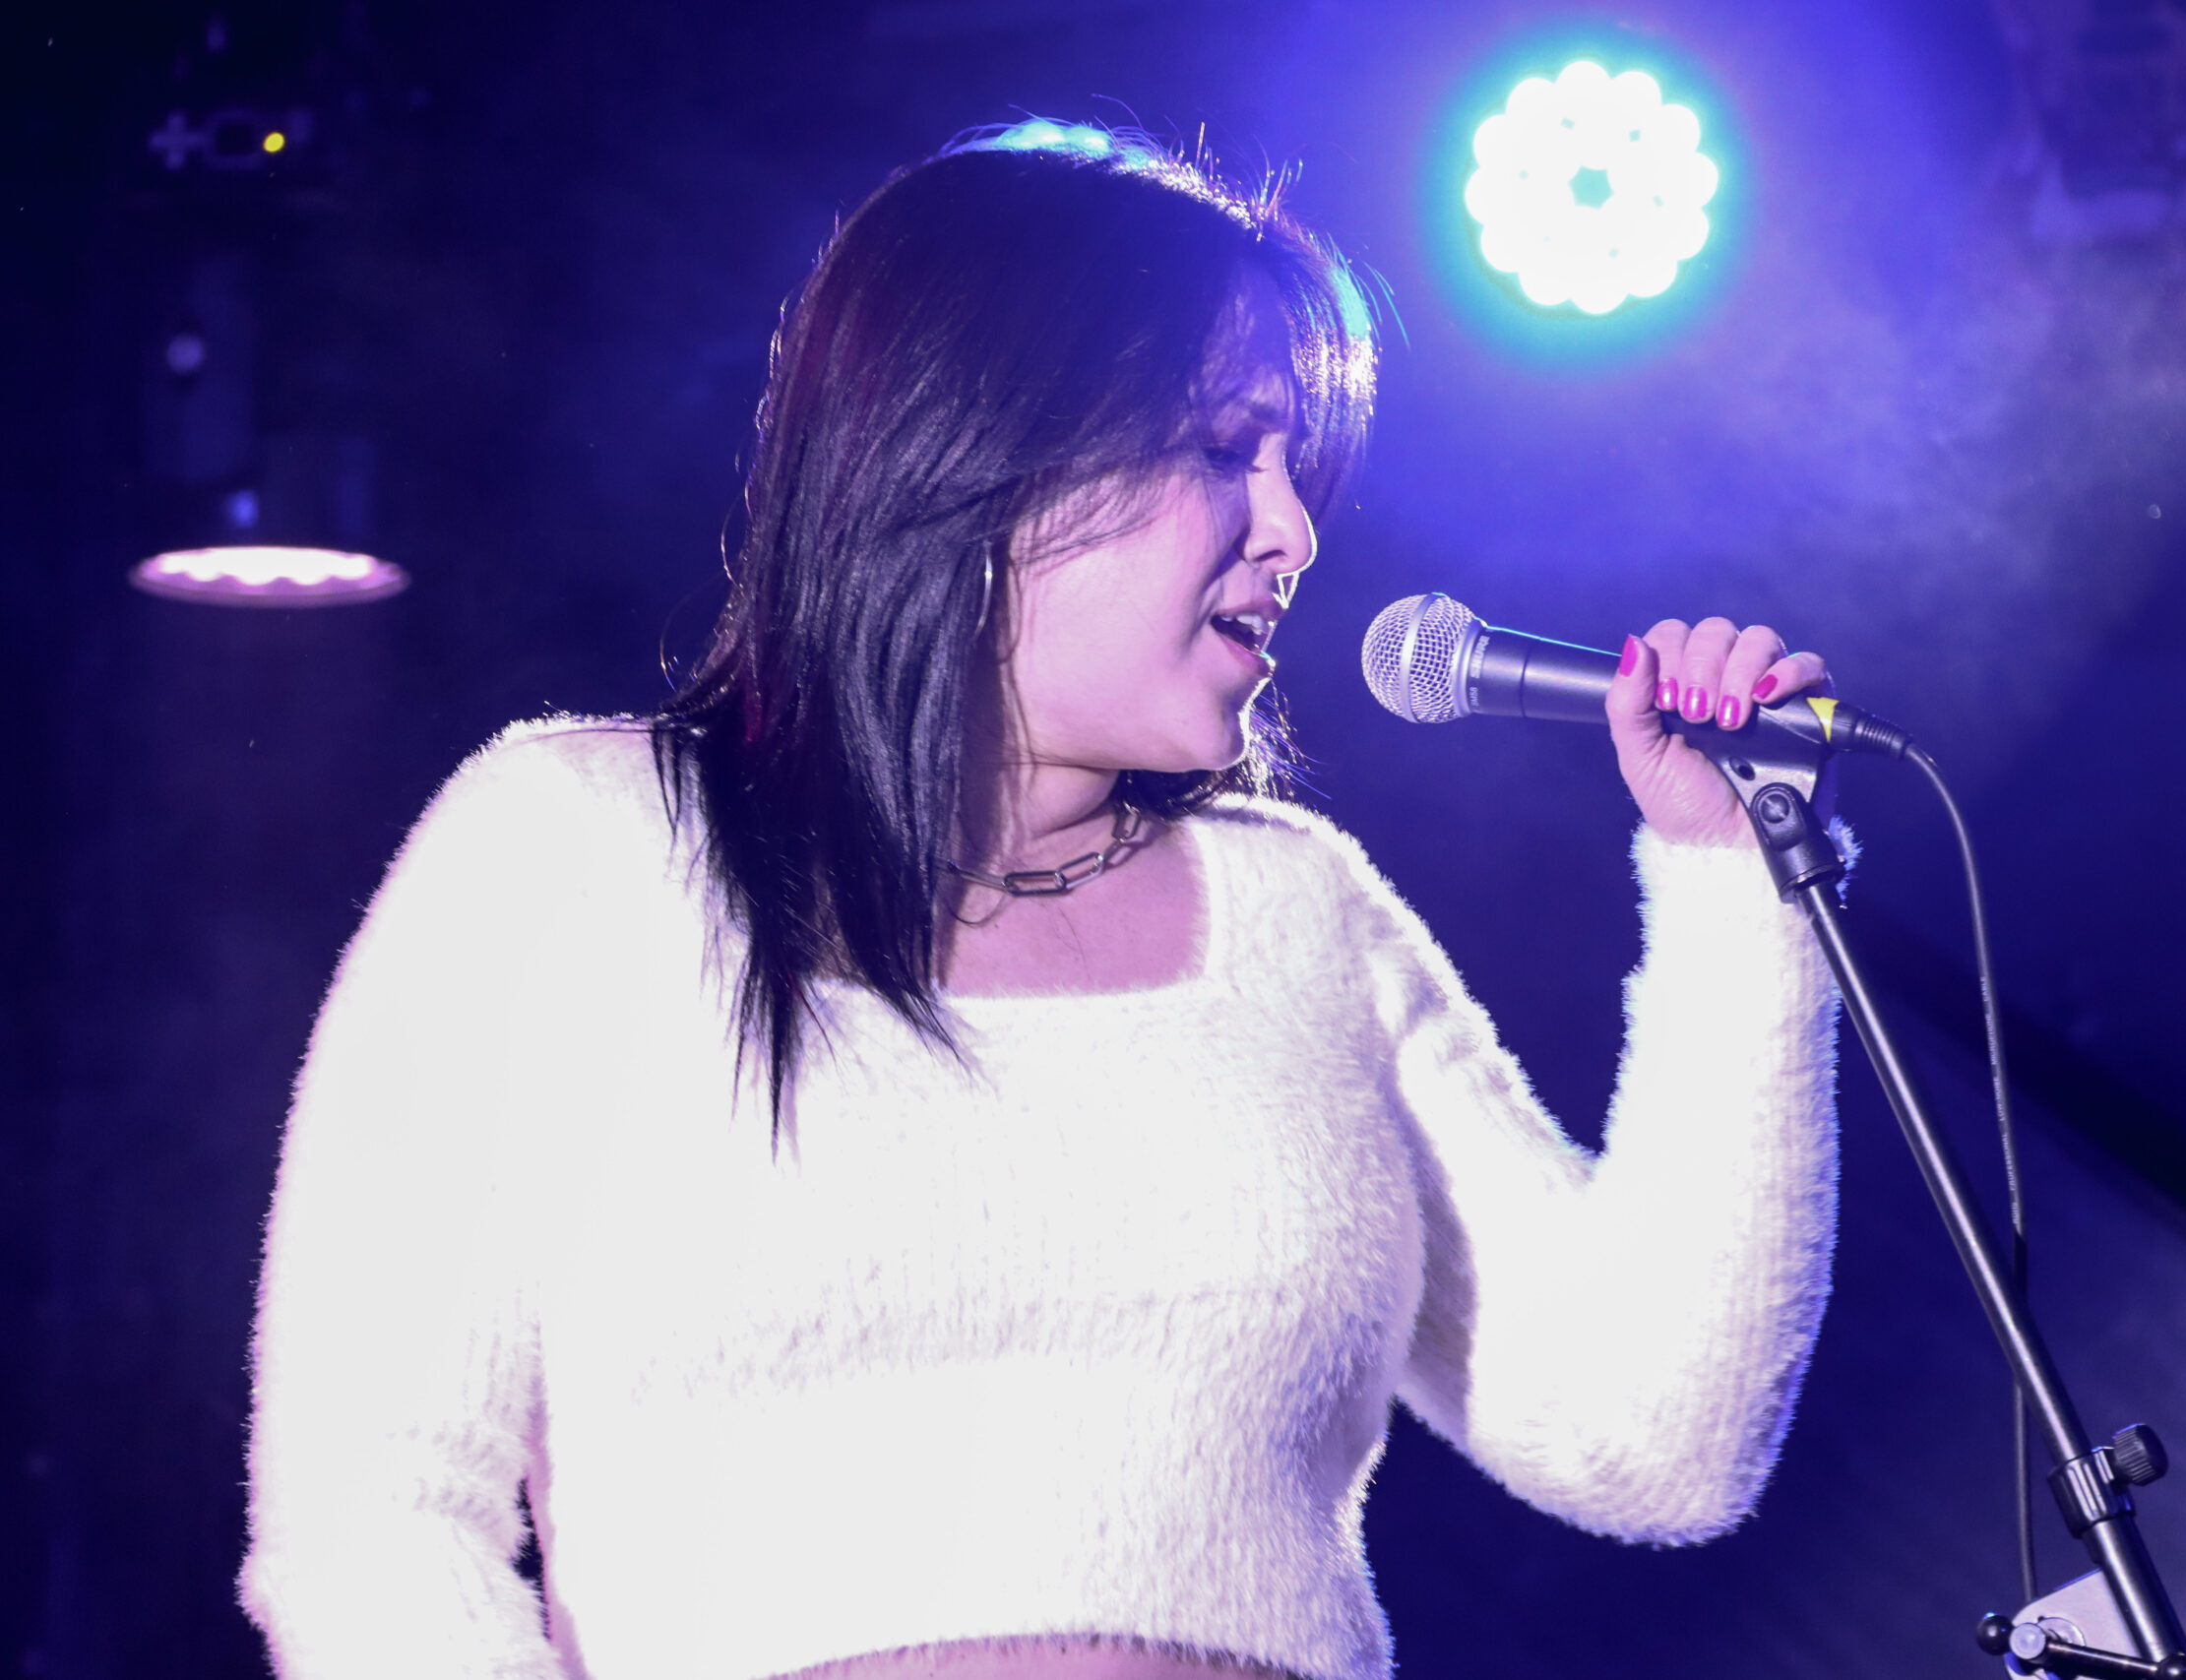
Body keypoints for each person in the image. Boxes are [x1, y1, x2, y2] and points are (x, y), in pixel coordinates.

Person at [238, 130, 1842, 1680]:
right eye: (1222, 447)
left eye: (1299, 466)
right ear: (976, 449)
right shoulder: (569, 850)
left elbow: (1660, 1438)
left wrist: (1731, 882)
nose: (1291, 530)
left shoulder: (1301, 915)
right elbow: (370, 1518)